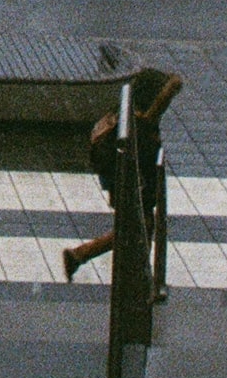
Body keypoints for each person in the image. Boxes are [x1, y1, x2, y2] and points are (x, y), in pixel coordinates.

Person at [64, 67, 182, 283]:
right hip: (131, 183)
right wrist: (171, 89)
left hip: (120, 179)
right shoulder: (140, 123)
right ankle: (87, 257)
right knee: (140, 226)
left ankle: (82, 255)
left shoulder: (123, 113)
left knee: (136, 227)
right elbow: (156, 112)